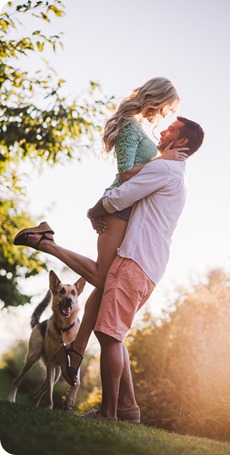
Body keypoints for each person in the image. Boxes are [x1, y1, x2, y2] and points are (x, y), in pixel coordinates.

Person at [13, 116, 204, 422]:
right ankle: (128, 409)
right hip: (148, 268)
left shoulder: (165, 167)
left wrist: (93, 211)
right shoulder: (175, 172)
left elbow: (120, 196)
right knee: (114, 333)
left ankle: (109, 412)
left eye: (171, 129)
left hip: (134, 263)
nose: (164, 130)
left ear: (182, 142)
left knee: (109, 335)